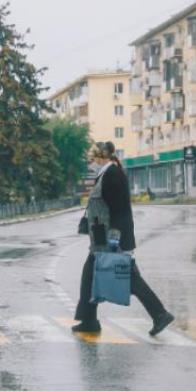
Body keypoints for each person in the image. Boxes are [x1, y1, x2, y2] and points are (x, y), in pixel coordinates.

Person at [73, 142, 174, 336]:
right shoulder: (105, 173)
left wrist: (114, 241)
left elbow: (120, 211)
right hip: (101, 239)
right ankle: (89, 320)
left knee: (130, 279)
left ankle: (160, 314)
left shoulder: (113, 175)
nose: (89, 164)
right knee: (89, 275)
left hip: (111, 240)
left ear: (100, 158)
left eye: (91, 160)